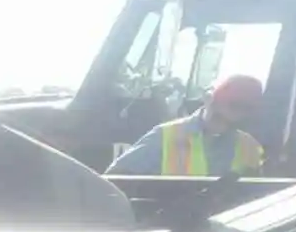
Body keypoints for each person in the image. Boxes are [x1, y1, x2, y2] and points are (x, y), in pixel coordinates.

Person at [105, 74, 268, 176]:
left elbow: (257, 198)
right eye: (233, 105)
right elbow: (117, 180)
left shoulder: (250, 148)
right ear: (208, 98)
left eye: (245, 108)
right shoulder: (166, 137)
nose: (237, 113)